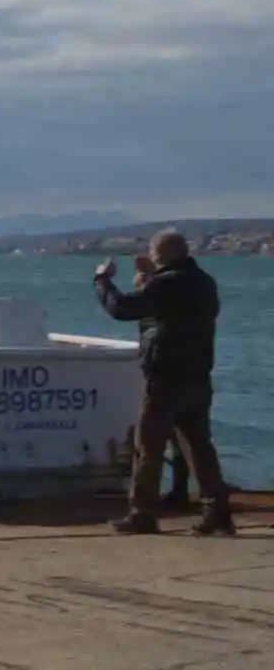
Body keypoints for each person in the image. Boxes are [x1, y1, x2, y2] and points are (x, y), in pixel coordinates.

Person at [94, 230, 235, 536]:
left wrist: (102, 281)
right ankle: (217, 511)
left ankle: (143, 513)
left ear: (162, 255)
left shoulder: (167, 284)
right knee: (200, 447)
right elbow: (169, 309)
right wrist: (152, 276)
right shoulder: (204, 282)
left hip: (165, 377)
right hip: (197, 376)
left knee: (149, 447)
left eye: (154, 253)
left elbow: (122, 308)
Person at [133, 254, 192, 509]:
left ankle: (146, 506)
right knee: (187, 438)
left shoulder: (158, 304)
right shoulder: (188, 293)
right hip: (184, 373)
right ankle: (186, 490)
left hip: (163, 376)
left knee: (151, 442)